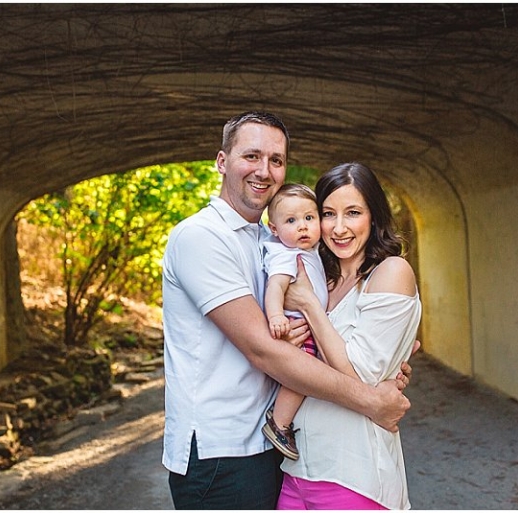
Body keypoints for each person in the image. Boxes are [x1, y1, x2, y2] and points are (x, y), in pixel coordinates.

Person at [161, 112, 414, 510]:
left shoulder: (272, 238)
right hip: (221, 453)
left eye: (276, 160)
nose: (264, 170)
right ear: (222, 162)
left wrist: (391, 355)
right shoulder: (201, 237)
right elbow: (264, 350)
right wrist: (370, 400)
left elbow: (345, 335)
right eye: (251, 156)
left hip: (271, 449)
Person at [278, 162, 422, 510]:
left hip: (354, 475)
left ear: (374, 216)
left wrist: (310, 308)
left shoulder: (391, 272)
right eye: (328, 214)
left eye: (353, 212)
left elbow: (360, 373)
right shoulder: (321, 279)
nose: (339, 228)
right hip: (296, 471)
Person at [261, 183, 328, 460]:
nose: (303, 227)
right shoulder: (285, 255)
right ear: (274, 228)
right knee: (301, 378)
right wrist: (276, 316)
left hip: (311, 324)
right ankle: (279, 424)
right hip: (298, 326)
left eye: (309, 218)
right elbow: (275, 287)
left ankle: (284, 417)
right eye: (291, 221)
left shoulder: (309, 250)